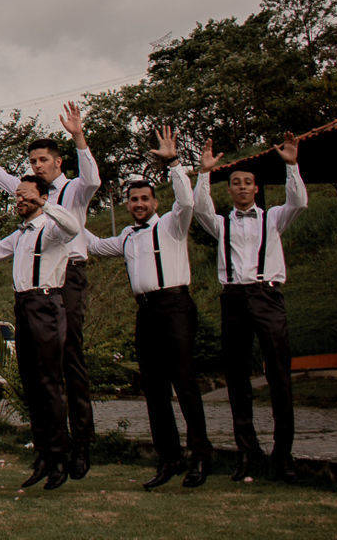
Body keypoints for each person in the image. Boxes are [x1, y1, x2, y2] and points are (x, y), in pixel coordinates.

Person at [0, 102, 101, 477]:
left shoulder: (72, 190)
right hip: (31, 287)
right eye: (32, 160)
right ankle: (49, 448)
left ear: (58, 163)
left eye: (42, 159)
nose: (36, 165)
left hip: (67, 276)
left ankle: (80, 445)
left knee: (70, 362)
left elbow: (93, 181)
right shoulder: (27, 198)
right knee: (37, 372)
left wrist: (78, 136)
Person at [85, 127, 210, 489]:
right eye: (133, 200)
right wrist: (66, 212)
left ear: (154, 202)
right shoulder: (126, 236)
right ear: (127, 204)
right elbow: (93, 245)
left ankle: (200, 457)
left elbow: (186, 202)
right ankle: (168, 458)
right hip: (146, 312)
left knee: (185, 384)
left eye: (144, 199)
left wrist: (173, 163)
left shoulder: (172, 224)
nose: (139, 204)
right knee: (153, 389)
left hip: (175, 306)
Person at [193, 132, 309, 483]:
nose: (242, 188)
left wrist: (291, 167)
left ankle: (283, 456)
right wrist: (203, 173)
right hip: (233, 299)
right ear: (229, 190)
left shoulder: (273, 218)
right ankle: (248, 454)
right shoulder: (221, 223)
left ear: (256, 189)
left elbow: (299, 203)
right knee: (238, 379)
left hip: (267, 296)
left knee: (278, 376)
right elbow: (199, 208)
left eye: (248, 183)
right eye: (236, 183)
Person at [0, 176, 85, 491]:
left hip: (46, 304)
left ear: (41, 196)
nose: (18, 200)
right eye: (16, 195)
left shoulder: (53, 227)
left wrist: (46, 204)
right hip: (24, 306)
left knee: (49, 383)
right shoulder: (21, 235)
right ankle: (44, 455)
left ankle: (60, 457)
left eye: (24, 194)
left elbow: (73, 227)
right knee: (31, 385)